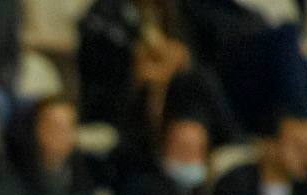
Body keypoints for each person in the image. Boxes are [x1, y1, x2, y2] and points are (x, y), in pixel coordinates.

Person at [180, 0, 307, 141]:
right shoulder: (195, 7)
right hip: (243, 91)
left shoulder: (247, 10)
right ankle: (302, 126)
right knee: (287, 32)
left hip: (286, 78)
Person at [79, 0, 241, 163]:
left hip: (168, 95)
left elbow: (183, 53)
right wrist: (144, 69)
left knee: (200, 80)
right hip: (117, 103)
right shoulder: (105, 15)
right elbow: (116, 68)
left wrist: (170, 64)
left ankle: (229, 143)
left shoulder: (172, 11)